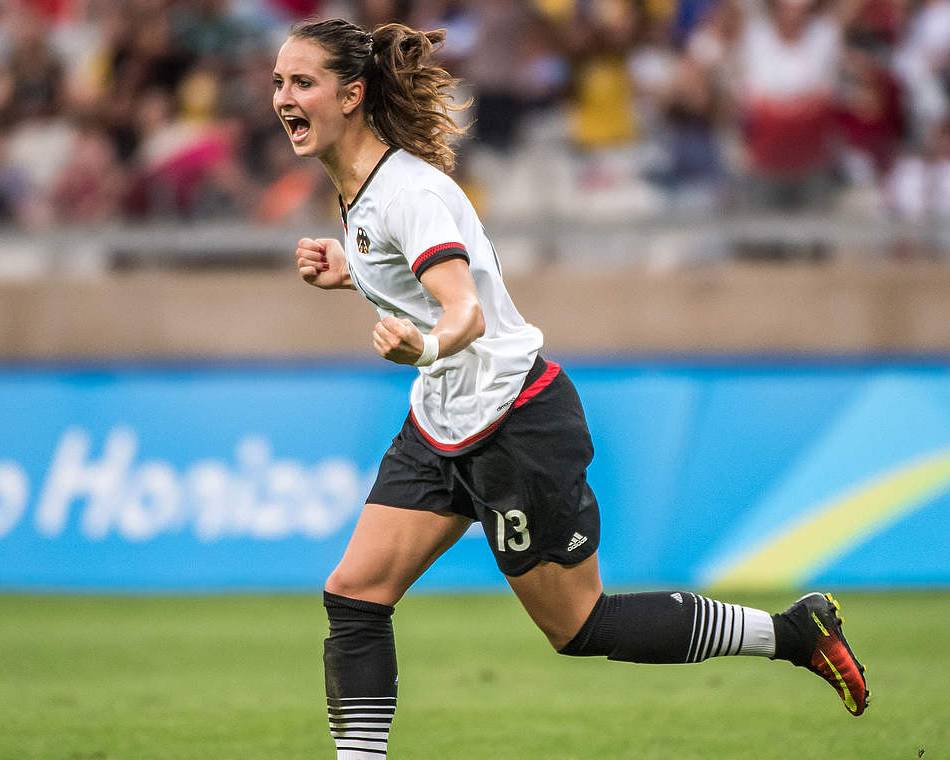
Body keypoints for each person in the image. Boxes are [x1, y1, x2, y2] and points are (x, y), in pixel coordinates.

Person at [274, 19, 868, 759]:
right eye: (278, 83)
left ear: (352, 94)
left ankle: (791, 634)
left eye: (302, 82)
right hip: (443, 421)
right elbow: (418, 283)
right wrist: (354, 270)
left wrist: (422, 343)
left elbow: (465, 310)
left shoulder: (406, 195)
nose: (284, 99)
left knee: (578, 625)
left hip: (514, 423)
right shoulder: (364, 194)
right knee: (356, 595)